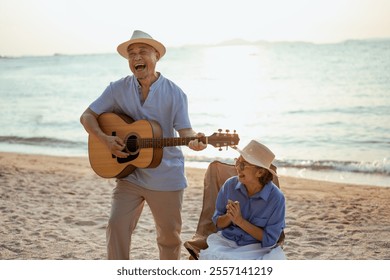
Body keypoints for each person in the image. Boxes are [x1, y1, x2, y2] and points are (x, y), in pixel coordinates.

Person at [80, 30, 206, 260]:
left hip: (166, 176)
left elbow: (185, 130)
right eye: (131, 54)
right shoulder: (116, 89)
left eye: (143, 52)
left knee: (169, 238)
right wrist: (105, 139)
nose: (136, 57)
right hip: (130, 174)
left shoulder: (175, 93)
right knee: (116, 226)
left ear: (157, 56)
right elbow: (87, 116)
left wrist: (194, 140)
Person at [199, 140, 286, 260]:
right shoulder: (230, 186)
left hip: (257, 248)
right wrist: (230, 216)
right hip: (226, 243)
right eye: (237, 162)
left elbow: (270, 239)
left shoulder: (276, 198)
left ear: (260, 172)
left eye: (243, 165)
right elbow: (218, 223)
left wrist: (240, 221)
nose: (237, 168)